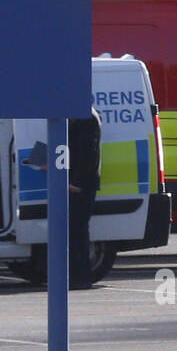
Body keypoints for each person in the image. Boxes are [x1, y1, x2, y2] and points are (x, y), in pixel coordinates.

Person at [67, 108, 102, 289]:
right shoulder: (79, 115)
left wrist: (77, 182)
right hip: (75, 183)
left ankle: (80, 278)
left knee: (77, 232)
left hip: (79, 186)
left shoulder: (86, 116)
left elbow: (89, 152)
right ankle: (76, 277)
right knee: (74, 231)